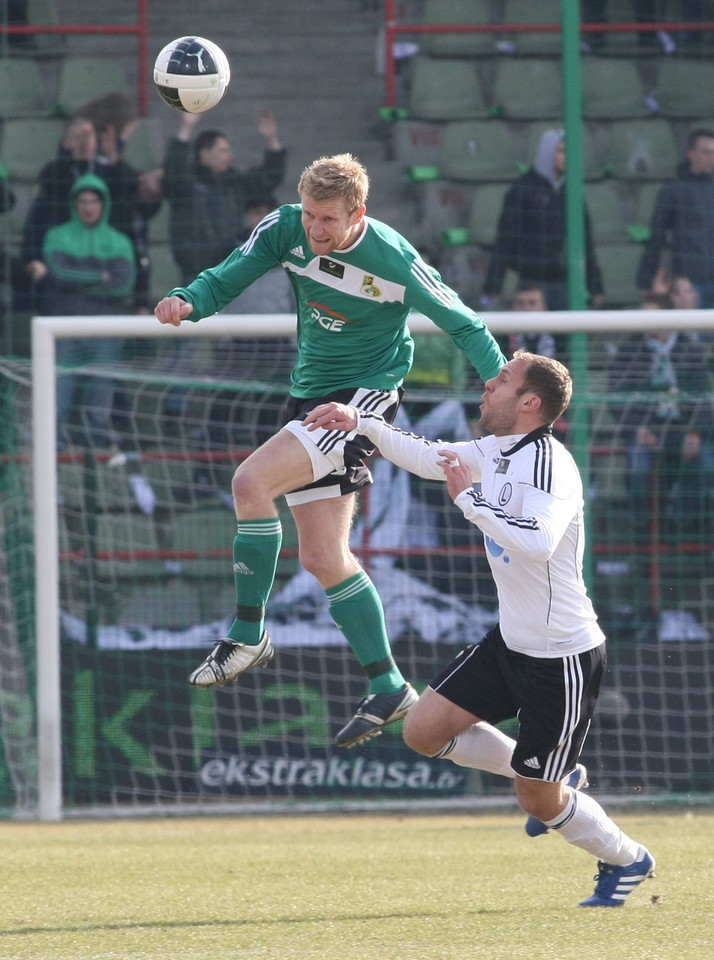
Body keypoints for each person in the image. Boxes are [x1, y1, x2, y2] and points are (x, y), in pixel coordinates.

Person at [155, 152, 506, 748]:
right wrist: (190, 298)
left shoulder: (393, 258)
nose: (316, 230)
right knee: (322, 557)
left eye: (329, 220)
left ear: (358, 213)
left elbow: (466, 325)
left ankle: (246, 634)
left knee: (249, 483)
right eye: (311, 215)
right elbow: (229, 274)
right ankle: (390, 684)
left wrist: (505, 418)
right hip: (309, 397)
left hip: (363, 400)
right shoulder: (284, 228)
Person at [304, 350, 655, 908]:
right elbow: (424, 456)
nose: (488, 385)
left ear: (529, 403)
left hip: (561, 658)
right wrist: (363, 422)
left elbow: (537, 541)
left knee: (537, 802)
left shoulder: (550, 463)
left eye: (503, 380)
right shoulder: (494, 449)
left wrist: (469, 498)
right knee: (422, 731)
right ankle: (560, 774)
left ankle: (628, 859)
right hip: (508, 643)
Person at [27, 173, 136, 450]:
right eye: (83, 201)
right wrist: (101, 276)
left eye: (94, 201)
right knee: (58, 388)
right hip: (64, 327)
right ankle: (55, 446)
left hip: (105, 329)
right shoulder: (57, 235)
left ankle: (94, 446)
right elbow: (58, 274)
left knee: (101, 391)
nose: (88, 207)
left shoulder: (119, 241)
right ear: (75, 204)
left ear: (104, 204)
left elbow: (123, 285)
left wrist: (76, 279)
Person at [18, 113, 161, 313]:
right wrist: (78, 158)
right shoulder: (56, 175)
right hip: (64, 279)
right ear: (66, 142)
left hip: (105, 279)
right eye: (78, 136)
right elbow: (52, 186)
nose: (88, 206)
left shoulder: (110, 172)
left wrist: (114, 158)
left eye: (90, 136)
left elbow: (133, 187)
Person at [609, 291, 714, 543]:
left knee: (705, 465)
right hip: (646, 430)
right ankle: (646, 536)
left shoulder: (691, 350)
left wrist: (695, 432)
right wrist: (638, 428)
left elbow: (704, 401)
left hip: (683, 430)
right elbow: (615, 398)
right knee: (638, 470)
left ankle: (686, 532)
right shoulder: (628, 351)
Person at [481, 130, 604, 312]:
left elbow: (585, 241)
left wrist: (595, 287)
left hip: (566, 284)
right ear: (548, 152)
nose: (566, 157)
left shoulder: (572, 191)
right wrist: (494, 287)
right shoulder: (522, 190)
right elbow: (505, 240)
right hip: (532, 285)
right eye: (561, 151)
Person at [161, 110, 287, 284]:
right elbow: (173, 173)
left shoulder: (235, 183)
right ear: (204, 154)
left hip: (230, 272)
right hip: (195, 275)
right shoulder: (187, 187)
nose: (230, 156)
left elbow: (270, 177)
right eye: (223, 151)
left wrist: (271, 138)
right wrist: (186, 127)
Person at [637, 128, 714, 309]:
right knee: (692, 336)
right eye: (706, 152)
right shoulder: (673, 191)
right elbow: (657, 236)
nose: (711, 158)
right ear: (691, 154)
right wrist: (646, 279)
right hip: (690, 284)